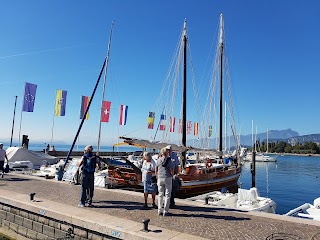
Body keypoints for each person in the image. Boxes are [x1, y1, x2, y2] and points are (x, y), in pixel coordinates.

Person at [156, 147, 174, 216]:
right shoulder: (169, 160)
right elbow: (171, 169)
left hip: (160, 177)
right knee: (167, 194)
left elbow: (156, 169)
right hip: (167, 177)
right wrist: (172, 175)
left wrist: (157, 176)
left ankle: (159, 210)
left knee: (160, 194)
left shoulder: (159, 159)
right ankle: (165, 211)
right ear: (167, 153)